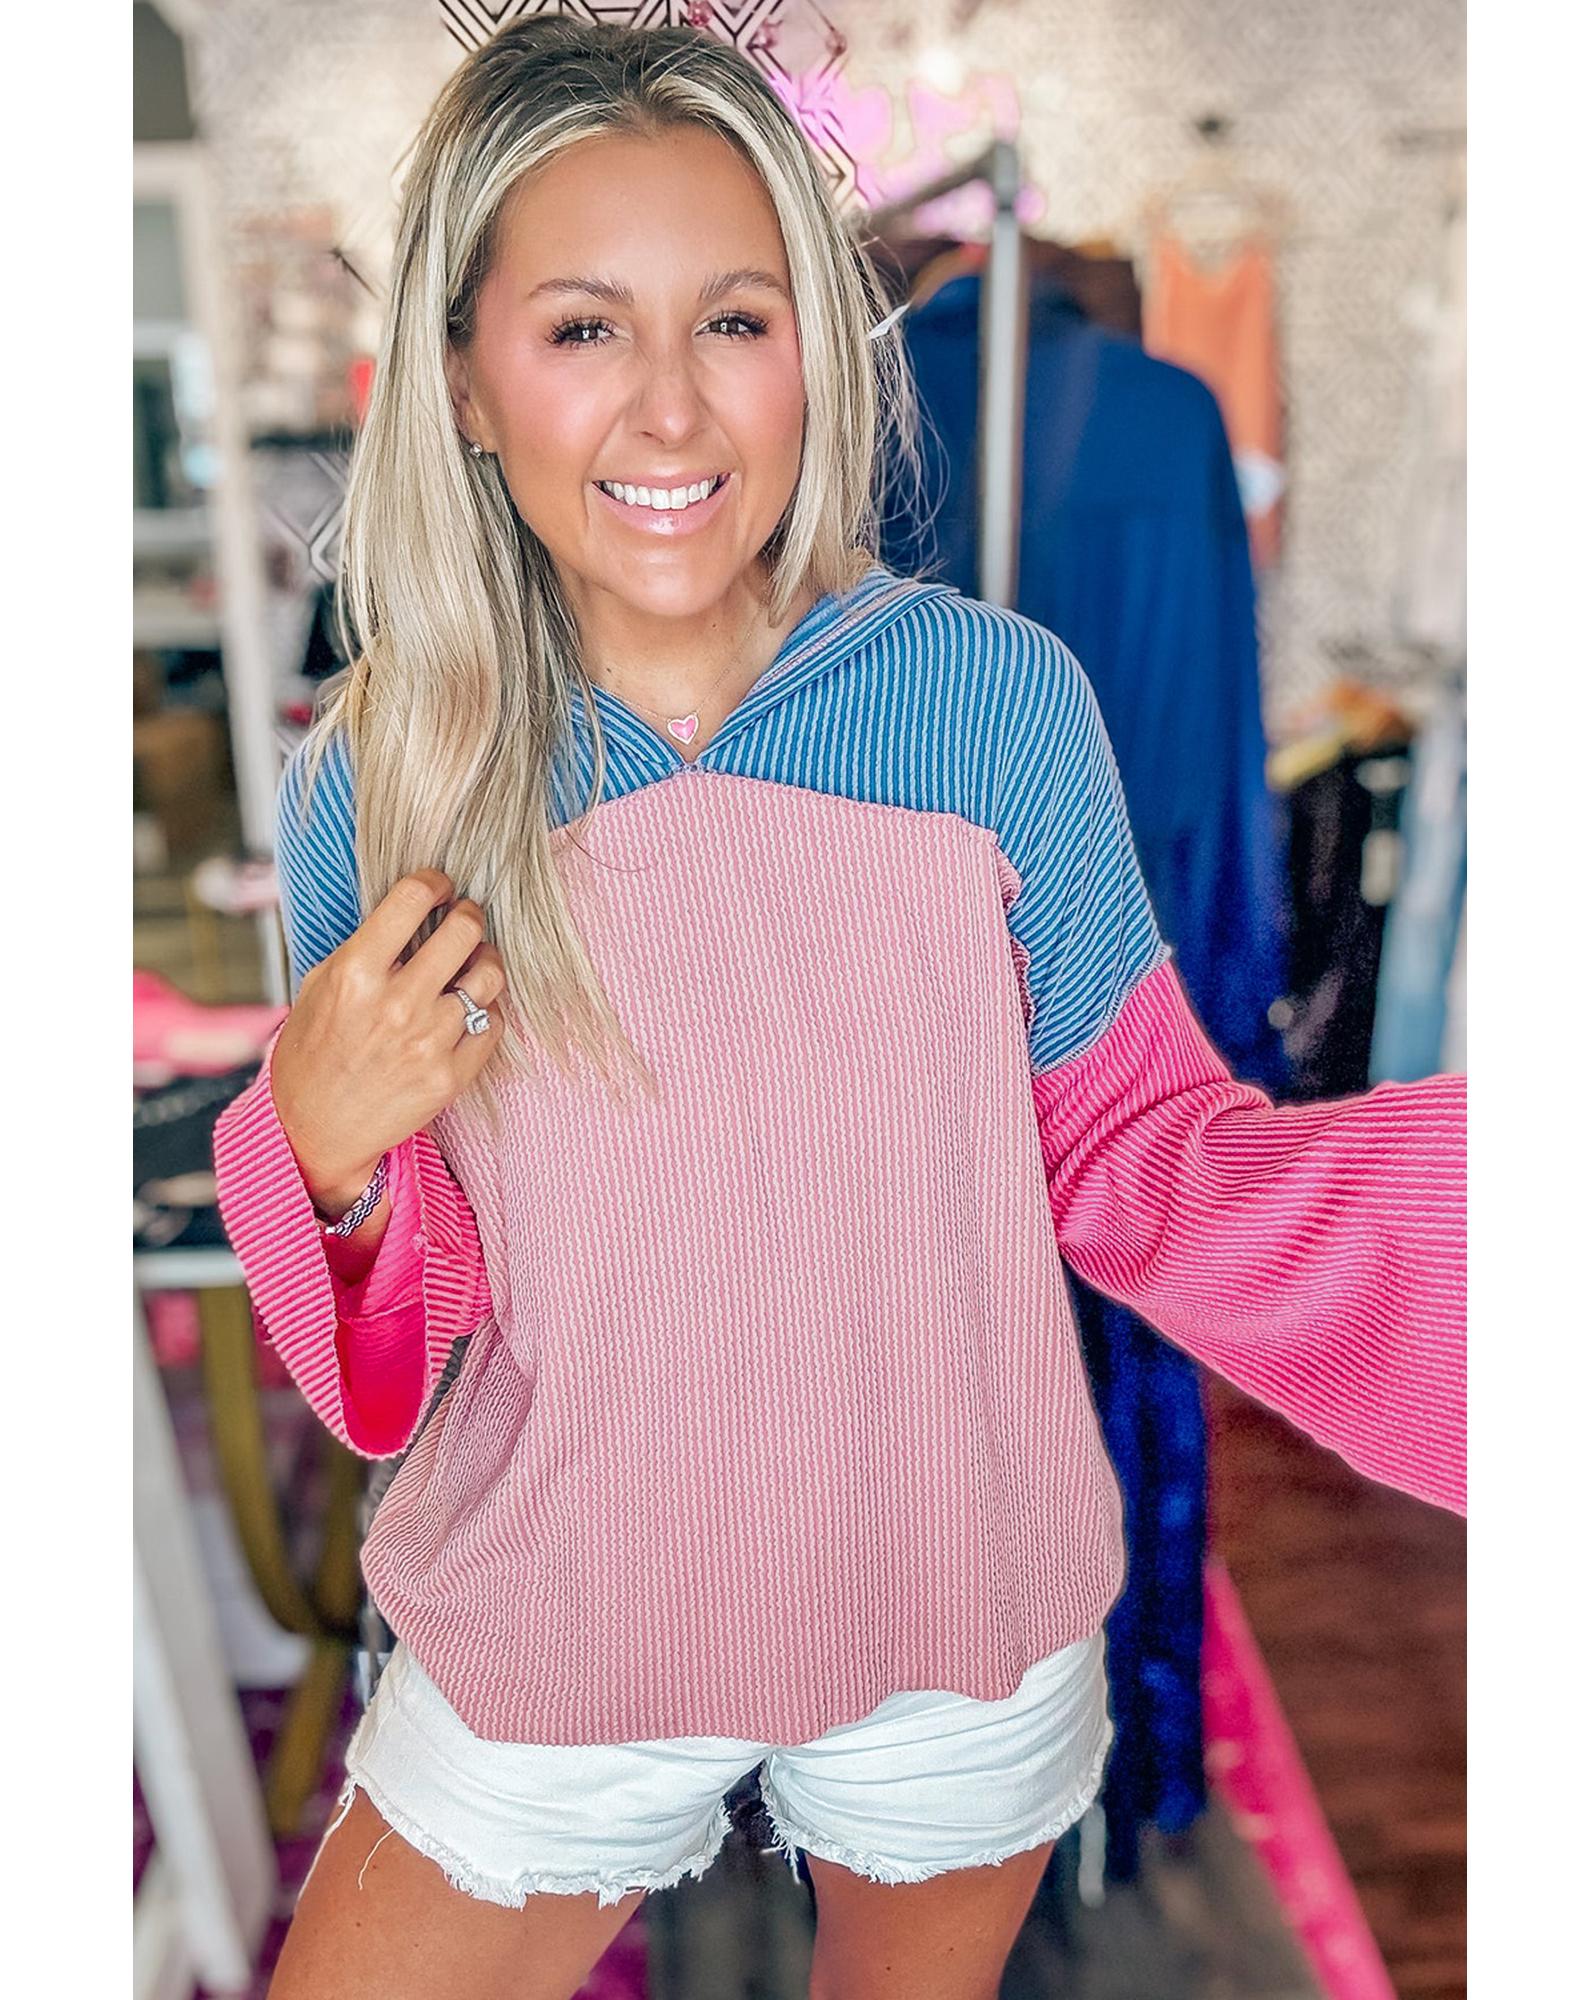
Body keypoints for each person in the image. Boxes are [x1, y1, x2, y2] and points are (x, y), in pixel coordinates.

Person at [210, 18, 1467, 2000]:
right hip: (562, 1604)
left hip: (946, 1589)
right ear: (461, 379)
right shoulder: (387, 775)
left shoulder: (996, 703)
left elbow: (1138, 1148)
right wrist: (320, 1146)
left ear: (817, 347)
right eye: (582, 328)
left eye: (735, 319)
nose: (670, 406)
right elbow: (405, 1316)